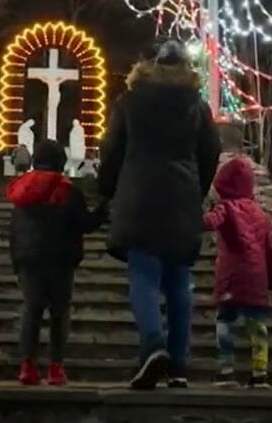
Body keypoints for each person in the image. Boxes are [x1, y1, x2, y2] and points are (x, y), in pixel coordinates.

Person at [98, 40, 221, 390]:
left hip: (138, 196)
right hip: (181, 198)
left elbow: (112, 149)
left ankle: (153, 344)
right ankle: (179, 365)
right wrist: (195, 189)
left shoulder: (129, 102)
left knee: (144, 274)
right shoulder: (196, 106)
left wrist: (107, 191)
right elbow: (210, 151)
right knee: (179, 281)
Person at [6, 140, 107, 386]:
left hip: (29, 258)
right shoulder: (68, 190)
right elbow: (85, 223)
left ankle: (28, 366)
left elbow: (15, 229)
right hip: (61, 259)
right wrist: (104, 209)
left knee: (32, 309)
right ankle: (55, 367)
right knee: (59, 313)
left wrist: (16, 260)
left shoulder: (24, 189)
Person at [203, 156, 272, 389]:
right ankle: (260, 372)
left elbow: (209, 222)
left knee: (226, 320)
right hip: (257, 278)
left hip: (232, 277)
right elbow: (271, 250)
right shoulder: (260, 214)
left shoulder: (226, 207)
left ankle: (226, 370)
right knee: (257, 324)